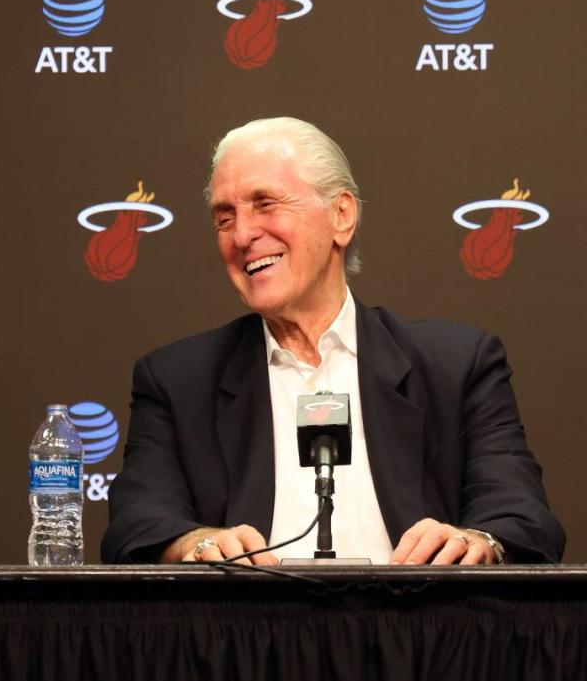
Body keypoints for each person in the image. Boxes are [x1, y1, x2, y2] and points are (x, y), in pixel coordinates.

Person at [101, 117, 565, 566]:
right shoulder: (178, 380)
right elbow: (136, 523)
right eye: (225, 218)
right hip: (247, 637)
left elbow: (523, 517)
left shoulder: (457, 365)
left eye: (265, 204)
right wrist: (193, 541)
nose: (242, 235)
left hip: (417, 634)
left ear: (342, 216)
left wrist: (475, 539)